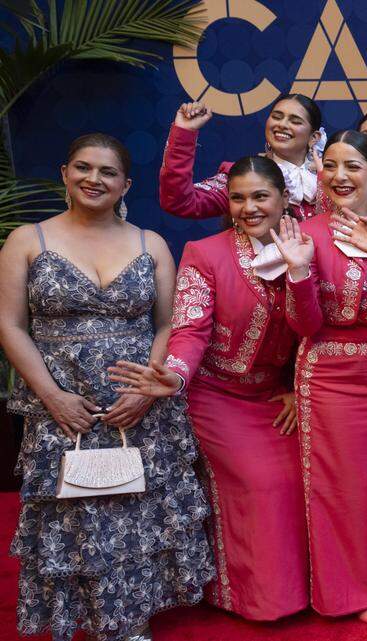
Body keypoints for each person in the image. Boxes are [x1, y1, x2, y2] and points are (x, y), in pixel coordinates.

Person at [0, 134, 213, 641]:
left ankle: (131, 621)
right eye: (83, 167)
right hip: (61, 403)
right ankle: (87, 620)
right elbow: (9, 325)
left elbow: (169, 325)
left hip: (136, 405)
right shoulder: (28, 241)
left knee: (134, 510)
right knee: (74, 510)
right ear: (65, 173)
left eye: (108, 172)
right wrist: (52, 397)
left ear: (125, 185)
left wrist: (145, 390)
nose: (94, 179)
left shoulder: (150, 243)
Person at [107, 157, 308, 621]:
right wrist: (174, 375)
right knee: (265, 482)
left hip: (277, 397)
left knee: (304, 476)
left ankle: (303, 592)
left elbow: (318, 326)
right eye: (238, 198)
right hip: (217, 395)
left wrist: (299, 389)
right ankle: (250, 598)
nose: (249, 207)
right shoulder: (207, 252)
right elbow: (191, 328)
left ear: (283, 198)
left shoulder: (310, 243)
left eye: (260, 196)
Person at [277, 130, 367, 627]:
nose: (341, 176)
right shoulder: (306, 233)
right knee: (345, 488)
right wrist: (298, 276)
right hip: (331, 376)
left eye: (354, 166)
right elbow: (305, 326)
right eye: (331, 166)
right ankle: (353, 589)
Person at [159, 95, 324, 220]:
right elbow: (179, 202)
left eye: (295, 121)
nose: (282, 124)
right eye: (277, 117)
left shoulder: (331, 177)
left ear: (314, 137)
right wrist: (184, 132)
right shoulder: (243, 175)